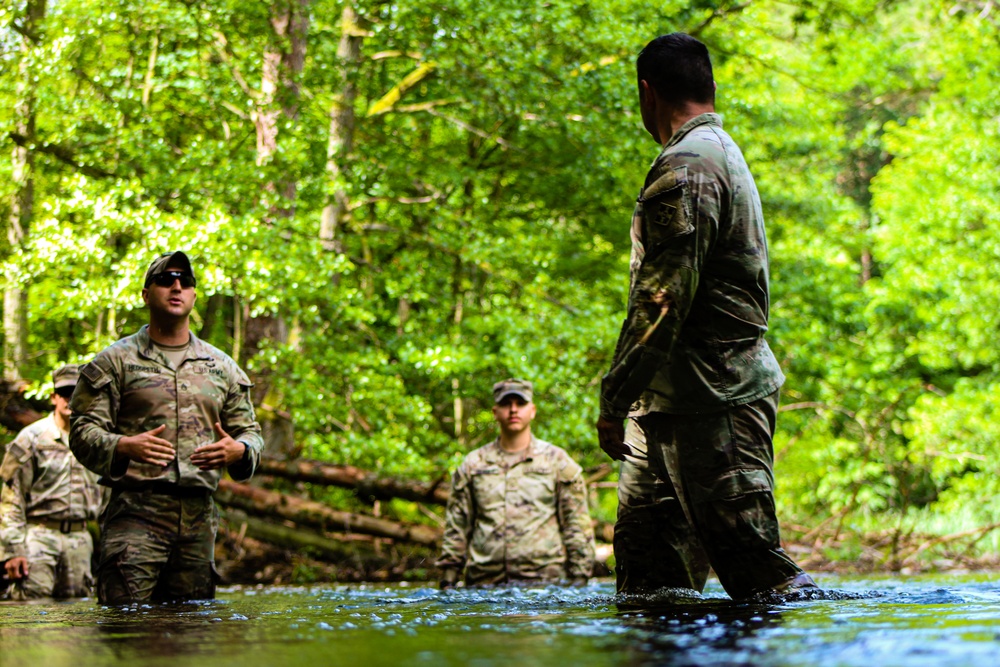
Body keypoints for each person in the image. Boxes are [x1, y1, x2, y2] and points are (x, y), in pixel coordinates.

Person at [595, 33, 816, 600]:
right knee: (650, 591)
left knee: (761, 577)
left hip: (713, 401)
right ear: (710, 88)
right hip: (668, 405)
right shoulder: (711, 154)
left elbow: (662, 301)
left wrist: (613, 398)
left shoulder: (690, 166)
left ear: (647, 94)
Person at [69, 251, 264, 604]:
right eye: (165, 279)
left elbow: (250, 433)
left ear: (193, 295)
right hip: (135, 512)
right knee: (125, 627)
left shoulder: (222, 366)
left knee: (191, 634)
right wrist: (123, 445)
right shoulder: (115, 361)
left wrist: (241, 450)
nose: (176, 286)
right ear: (146, 294)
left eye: (185, 281)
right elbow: (82, 431)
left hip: (198, 517)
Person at [438, 379, 596, 587]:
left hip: (545, 584)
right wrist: (448, 579)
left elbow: (576, 523)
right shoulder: (473, 464)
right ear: (495, 412)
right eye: (505, 404)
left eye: (520, 404)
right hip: (484, 584)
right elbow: (457, 525)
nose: (513, 410)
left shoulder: (557, 461)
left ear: (532, 410)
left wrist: (580, 578)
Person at [0, 364, 102, 599]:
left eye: (76, 393)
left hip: (80, 539)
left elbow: (106, 497)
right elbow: (11, 499)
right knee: (33, 611)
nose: (70, 400)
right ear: (54, 397)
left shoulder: (96, 440)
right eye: (64, 394)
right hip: (39, 538)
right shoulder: (32, 438)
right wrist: (12, 550)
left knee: (78, 616)